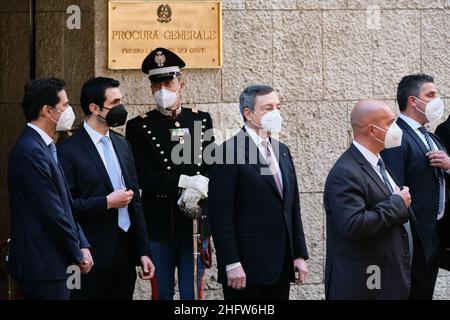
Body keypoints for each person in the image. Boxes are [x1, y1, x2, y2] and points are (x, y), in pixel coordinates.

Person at [126, 48, 215, 300]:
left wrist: (201, 186)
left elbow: (211, 165)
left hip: (194, 223)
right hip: (158, 225)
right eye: (156, 84)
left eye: (168, 82)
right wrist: (183, 181)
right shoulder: (138, 126)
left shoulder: (201, 120)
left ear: (181, 84)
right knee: (161, 292)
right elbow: (142, 175)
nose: (162, 89)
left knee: (191, 294)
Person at [208, 84, 309, 300]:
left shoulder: (282, 150)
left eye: (278, 107)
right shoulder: (227, 152)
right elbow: (220, 215)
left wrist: (299, 254)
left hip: (281, 267)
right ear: (248, 113)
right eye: (267, 108)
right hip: (246, 270)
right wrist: (231, 262)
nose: (276, 113)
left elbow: (292, 207)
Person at [58, 77, 154, 299]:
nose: (121, 108)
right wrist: (106, 202)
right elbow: (66, 206)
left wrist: (144, 251)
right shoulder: (69, 150)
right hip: (91, 254)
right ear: (94, 108)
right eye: (115, 102)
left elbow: (135, 200)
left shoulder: (122, 144)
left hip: (126, 252)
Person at [324, 99, 422, 300]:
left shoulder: (377, 162)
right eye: (389, 123)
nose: (395, 128)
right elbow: (354, 225)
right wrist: (397, 203)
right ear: (372, 131)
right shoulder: (345, 172)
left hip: (388, 280)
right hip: (367, 285)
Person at [7, 77, 93, 300]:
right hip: (42, 265)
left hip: (53, 263)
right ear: (47, 110)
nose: (68, 110)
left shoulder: (45, 147)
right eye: (64, 105)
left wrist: (82, 243)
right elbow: (52, 211)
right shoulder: (30, 151)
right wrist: (77, 253)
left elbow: (66, 203)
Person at [381, 74, 450, 299]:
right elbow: (394, 189)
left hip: (433, 236)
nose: (437, 100)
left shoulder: (431, 137)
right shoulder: (395, 135)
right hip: (411, 237)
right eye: (430, 95)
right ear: (412, 101)